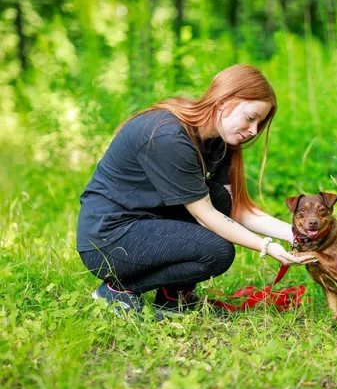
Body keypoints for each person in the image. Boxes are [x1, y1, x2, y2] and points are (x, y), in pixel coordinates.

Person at [77, 64, 313, 317]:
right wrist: (267, 246)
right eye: (250, 117)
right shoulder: (168, 136)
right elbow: (206, 216)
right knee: (216, 252)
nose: (254, 130)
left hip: (148, 223)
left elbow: (236, 209)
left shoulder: (219, 140)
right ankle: (116, 290)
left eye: (260, 122)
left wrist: (299, 236)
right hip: (108, 240)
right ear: (224, 101)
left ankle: (172, 299)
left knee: (220, 198)